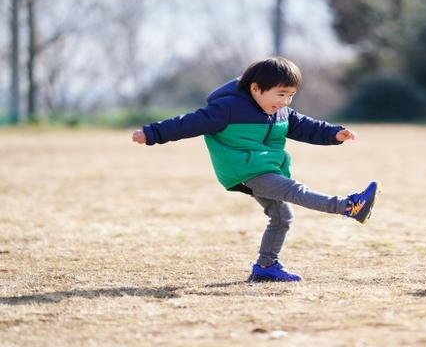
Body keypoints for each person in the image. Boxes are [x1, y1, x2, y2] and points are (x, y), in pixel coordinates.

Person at [131, 57, 380, 282]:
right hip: (246, 169)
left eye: (290, 95)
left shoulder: (280, 112)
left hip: (267, 167)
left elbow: (307, 126)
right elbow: (188, 123)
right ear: (256, 88)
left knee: (282, 216)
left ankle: (265, 266)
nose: (285, 101)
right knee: (294, 190)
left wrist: (334, 133)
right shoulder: (227, 108)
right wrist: (152, 133)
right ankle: (349, 206)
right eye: (280, 94)